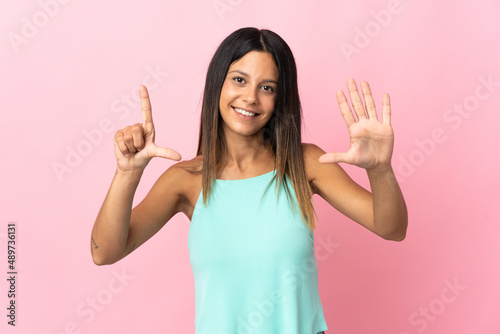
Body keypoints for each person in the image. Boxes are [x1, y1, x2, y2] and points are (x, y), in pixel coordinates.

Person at [90, 27, 407, 334]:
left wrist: (380, 169)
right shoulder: (185, 180)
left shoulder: (304, 163)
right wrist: (127, 173)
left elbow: (391, 228)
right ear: (219, 84)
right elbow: (104, 252)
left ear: (279, 99)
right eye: (239, 80)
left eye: (267, 87)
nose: (251, 97)